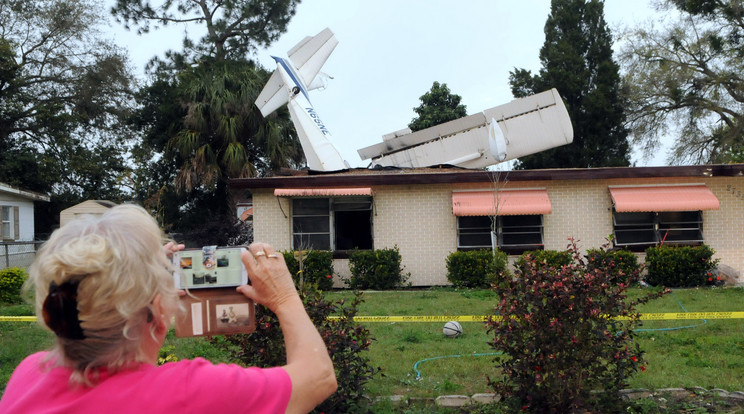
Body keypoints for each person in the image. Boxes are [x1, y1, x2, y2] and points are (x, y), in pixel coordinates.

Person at [0, 204, 337, 413]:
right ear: (154, 314)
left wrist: (141, 277)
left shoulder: (29, 375)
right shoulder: (187, 394)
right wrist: (284, 298)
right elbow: (317, 378)